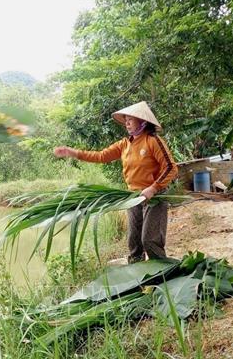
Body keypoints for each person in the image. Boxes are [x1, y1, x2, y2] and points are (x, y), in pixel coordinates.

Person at [54, 101, 178, 263]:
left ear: (143, 121)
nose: (126, 122)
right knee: (134, 242)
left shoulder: (153, 141)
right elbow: (101, 156)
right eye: (125, 119)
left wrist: (153, 188)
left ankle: (162, 274)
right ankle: (137, 276)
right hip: (133, 196)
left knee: (149, 240)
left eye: (130, 119)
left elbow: (171, 168)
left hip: (154, 196)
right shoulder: (124, 144)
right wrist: (73, 152)